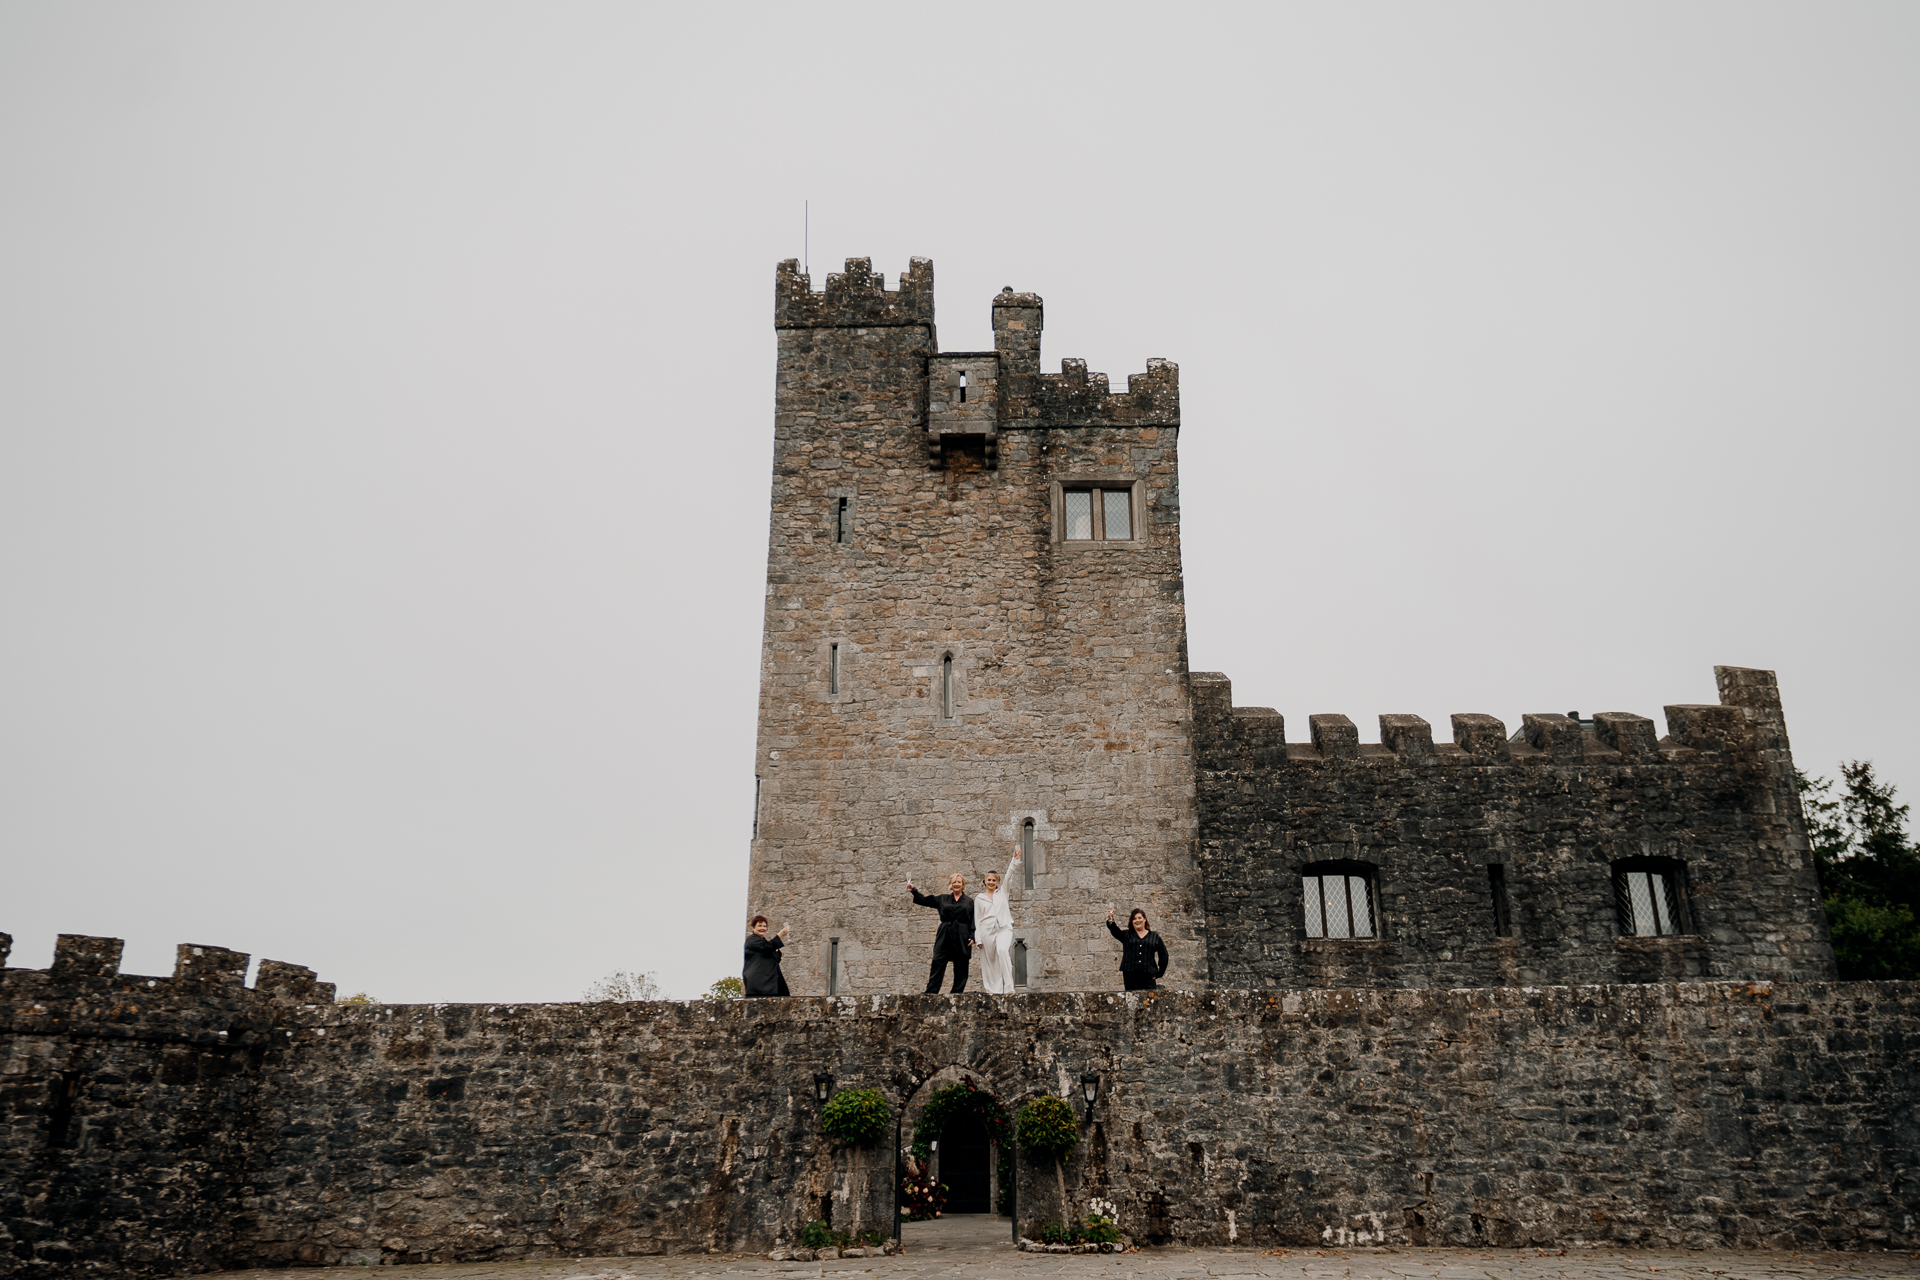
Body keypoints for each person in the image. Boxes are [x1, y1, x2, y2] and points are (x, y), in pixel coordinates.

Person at [907, 872, 975, 993]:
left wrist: (972, 935)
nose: (956, 884)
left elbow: (973, 919)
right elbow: (925, 900)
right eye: (954, 882)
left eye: (959, 882)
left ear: (963, 884)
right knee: (938, 960)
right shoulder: (943, 899)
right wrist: (914, 891)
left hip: (962, 935)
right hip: (945, 934)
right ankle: (931, 993)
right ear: (951, 884)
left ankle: (957, 994)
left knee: (961, 964)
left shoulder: (969, 901)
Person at [973, 848, 1023, 994]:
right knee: (990, 961)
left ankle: (1008, 987)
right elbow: (977, 919)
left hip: (1003, 928)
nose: (991, 882)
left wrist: (1014, 860)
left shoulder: (1002, 893)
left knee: (1002, 950)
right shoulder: (979, 899)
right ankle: (992, 990)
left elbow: (1008, 877)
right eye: (989, 880)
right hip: (986, 930)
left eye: (994, 880)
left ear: (997, 882)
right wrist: (978, 938)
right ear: (985, 881)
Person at [1105, 906, 1169, 991]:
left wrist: (1160, 972)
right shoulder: (1127, 935)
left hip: (1148, 974)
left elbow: (1163, 954)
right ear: (1132, 922)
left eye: (1139, 918)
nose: (1137, 920)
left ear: (1144, 919)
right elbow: (1115, 931)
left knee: (1149, 1000)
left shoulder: (1154, 936)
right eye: (1134, 919)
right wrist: (1110, 919)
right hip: (1130, 974)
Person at [742, 914, 791, 997]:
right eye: (760, 926)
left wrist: (775, 950)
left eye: (764, 926)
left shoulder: (765, 943)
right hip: (759, 983)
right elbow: (766, 947)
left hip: (770, 982)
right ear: (753, 928)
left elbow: (775, 958)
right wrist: (780, 935)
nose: (762, 928)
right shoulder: (751, 940)